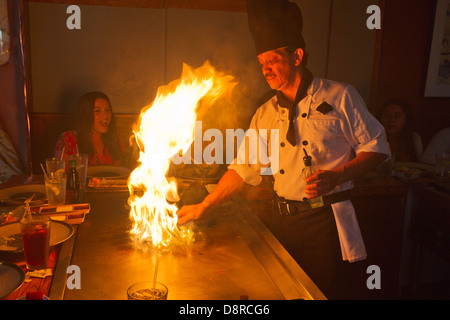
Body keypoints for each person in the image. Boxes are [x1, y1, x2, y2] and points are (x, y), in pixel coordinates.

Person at [177, 0, 390, 299]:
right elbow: (242, 169)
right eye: (261, 62)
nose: (266, 69)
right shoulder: (265, 112)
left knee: (320, 294)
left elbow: (378, 148)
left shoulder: (340, 96)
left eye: (273, 60)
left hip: (325, 222)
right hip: (282, 222)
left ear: (296, 56)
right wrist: (204, 206)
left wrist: (338, 175)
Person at [54, 91, 126, 167]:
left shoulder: (114, 138)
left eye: (108, 110)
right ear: (86, 115)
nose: (105, 116)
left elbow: (119, 172)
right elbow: (60, 173)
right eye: (97, 111)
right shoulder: (69, 139)